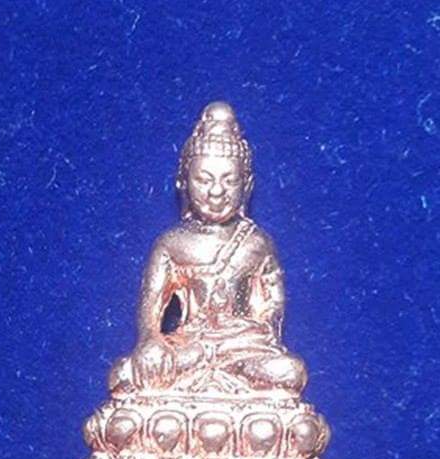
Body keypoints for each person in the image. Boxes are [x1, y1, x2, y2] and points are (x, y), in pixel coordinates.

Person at [110, 102, 307, 396]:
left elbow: (272, 307)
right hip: (190, 347)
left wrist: (255, 334)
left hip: (243, 348)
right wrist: (150, 341)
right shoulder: (171, 244)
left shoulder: (258, 244)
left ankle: (220, 385)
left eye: (230, 180)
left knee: (290, 372)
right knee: (124, 375)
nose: (216, 192)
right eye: (204, 179)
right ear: (183, 183)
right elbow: (150, 308)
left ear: (247, 185)